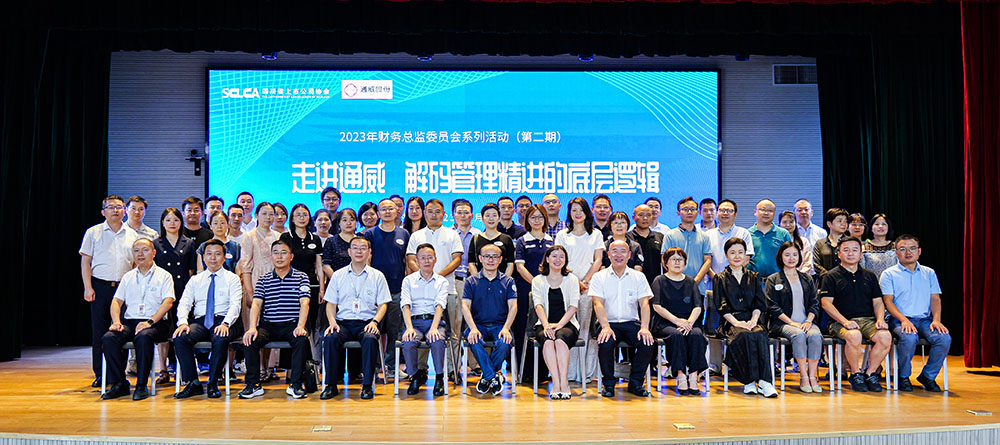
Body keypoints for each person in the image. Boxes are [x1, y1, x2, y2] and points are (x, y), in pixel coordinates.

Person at [100, 238, 175, 400]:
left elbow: (168, 302)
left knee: (144, 336)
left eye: (145, 250)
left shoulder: (164, 276)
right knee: (109, 338)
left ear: (154, 253)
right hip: (130, 321)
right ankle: (119, 383)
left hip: (156, 322)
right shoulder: (128, 277)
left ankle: (141, 385)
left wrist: (150, 322)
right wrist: (116, 322)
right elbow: (116, 301)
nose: (140, 254)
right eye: (136, 251)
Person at [321, 236, 392, 400]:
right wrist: (332, 322)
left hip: (367, 323)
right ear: (349, 251)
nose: (359, 251)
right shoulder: (338, 275)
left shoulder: (378, 276)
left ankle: (367, 386)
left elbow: (383, 304)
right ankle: (331, 385)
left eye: (363, 248)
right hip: (343, 323)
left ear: (369, 252)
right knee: (330, 338)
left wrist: (375, 322)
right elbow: (330, 303)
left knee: (370, 338)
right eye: (355, 248)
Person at [239, 239, 311, 399]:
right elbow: (256, 304)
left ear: (291, 256)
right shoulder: (264, 279)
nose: (279, 256)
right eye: (276, 253)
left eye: (284, 253)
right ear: (271, 256)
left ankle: (296, 384)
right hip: (268, 325)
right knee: (250, 340)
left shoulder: (301, 277)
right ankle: (253, 385)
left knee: (301, 340)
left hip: (292, 324)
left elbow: (305, 303)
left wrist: (301, 326)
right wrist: (252, 327)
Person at [172, 239, 243, 399]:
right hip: (201, 321)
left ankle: (213, 382)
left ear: (224, 257)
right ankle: (193, 383)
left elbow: (235, 305)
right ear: (203, 257)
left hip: (224, 319)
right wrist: (183, 322)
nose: (213, 258)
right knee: (180, 337)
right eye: (209, 254)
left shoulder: (232, 279)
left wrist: (226, 323)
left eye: (217, 254)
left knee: (220, 337)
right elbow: (184, 303)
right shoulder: (196, 280)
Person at [81, 195, 140, 387]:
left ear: (125, 211)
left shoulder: (132, 234)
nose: (115, 210)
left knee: (121, 331)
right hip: (100, 287)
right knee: (99, 331)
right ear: (103, 211)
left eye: (119, 207)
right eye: (111, 207)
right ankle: (100, 373)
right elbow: (85, 261)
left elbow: (135, 264)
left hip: (124, 288)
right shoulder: (93, 232)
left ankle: (118, 373)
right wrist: (88, 287)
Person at [819, 236, 892, 392]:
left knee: (885, 337)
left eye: (854, 250)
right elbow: (826, 303)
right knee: (854, 336)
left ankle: (870, 373)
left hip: (867, 320)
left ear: (860, 254)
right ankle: (855, 373)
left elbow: (878, 302)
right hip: (839, 322)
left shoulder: (869, 275)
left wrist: (880, 319)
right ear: (839, 254)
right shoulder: (830, 276)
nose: (850, 253)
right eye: (846, 250)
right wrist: (845, 322)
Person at [880, 235, 951, 392]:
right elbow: (888, 301)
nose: (908, 252)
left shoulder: (929, 273)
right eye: (902, 249)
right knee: (909, 338)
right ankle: (903, 376)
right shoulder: (889, 274)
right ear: (896, 252)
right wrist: (904, 320)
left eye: (912, 248)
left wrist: (937, 320)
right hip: (899, 319)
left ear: (919, 251)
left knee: (944, 338)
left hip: (925, 319)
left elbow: (935, 299)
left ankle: (928, 376)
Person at [405, 199, 463, 382]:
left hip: (449, 289)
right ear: (424, 213)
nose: (433, 215)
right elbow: (411, 260)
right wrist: (425, 275)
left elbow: (457, 259)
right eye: (430, 211)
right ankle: (421, 369)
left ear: (444, 214)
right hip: (420, 293)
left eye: (437, 211)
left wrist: (436, 277)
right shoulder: (416, 236)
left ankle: (452, 368)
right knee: (421, 330)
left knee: (453, 332)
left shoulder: (452, 234)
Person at [713, 238, 778, 398]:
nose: (737, 256)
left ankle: (765, 382)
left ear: (745, 255)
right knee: (744, 335)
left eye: (740, 252)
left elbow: (759, 303)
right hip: (731, 321)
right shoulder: (720, 278)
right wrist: (737, 323)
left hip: (752, 319)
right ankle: (749, 381)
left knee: (759, 334)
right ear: (726, 255)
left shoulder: (753, 276)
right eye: (732, 252)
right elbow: (722, 306)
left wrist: (753, 321)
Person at [591, 240, 655, 397]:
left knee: (647, 343)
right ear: (608, 255)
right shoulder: (599, 277)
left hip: (631, 322)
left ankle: (636, 383)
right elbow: (597, 303)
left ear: (629, 255)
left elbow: (644, 304)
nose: (618, 255)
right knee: (605, 342)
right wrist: (605, 326)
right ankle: (608, 384)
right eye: (614, 251)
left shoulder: (638, 277)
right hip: (608, 323)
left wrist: (644, 327)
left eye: (622, 251)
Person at [555, 197, 604, 382]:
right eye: (574, 210)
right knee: (568, 327)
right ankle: (567, 372)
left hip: (588, 287)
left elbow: (598, 260)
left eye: (581, 210)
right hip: (566, 284)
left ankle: (585, 372)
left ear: (587, 212)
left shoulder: (596, 234)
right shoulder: (562, 235)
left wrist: (584, 281)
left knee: (585, 329)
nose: (577, 214)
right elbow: (558, 259)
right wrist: (574, 281)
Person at [765, 241, 823, 393]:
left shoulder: (807, 278)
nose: (791, 258)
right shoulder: (773, 279)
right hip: (783, 324)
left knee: (815, 336)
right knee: (798, 335)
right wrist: (792, 323)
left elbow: (814, 303)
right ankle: (803, 376)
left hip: (806, 322)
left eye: (795, 255)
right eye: (787, 255)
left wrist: (809, 321)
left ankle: (812, 376)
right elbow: (772, 307)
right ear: (780, 257)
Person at [463, 243, 519, 396]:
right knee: (473, 338)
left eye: (495, 257)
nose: (490, 260)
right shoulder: (471, 281)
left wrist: (506, 328)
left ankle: (487, 376)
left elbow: (513, 307)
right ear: (480, 258)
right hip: (478, 325)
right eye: (487, 256)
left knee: (505, 341)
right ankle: (493, 377)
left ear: (500, 260)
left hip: (500, 325)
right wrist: (473, 328)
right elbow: (465, 306)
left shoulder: (508, 281)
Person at [652, 248, 708, 395]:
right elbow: (657, 306)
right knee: (676, 335)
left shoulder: (691, 282)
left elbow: (698, 306)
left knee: (696, 335)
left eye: (680, 259)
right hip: (666, 322)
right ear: (666, 263)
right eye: (673, 259)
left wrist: (689, 322)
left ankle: (693, 376)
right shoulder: (659, 281)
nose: (677, 262)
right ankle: (681, 374)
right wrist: (677, 321)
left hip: (689, 322)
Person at [364, 198, 410, 376]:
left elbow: (407, 261)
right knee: (373, 329)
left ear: (397, 211)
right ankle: (374, 367)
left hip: (397, 289)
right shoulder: (370, 234)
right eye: (383, 209)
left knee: (394, 330)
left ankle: (391, 366)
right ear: (378, 213)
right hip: (375, 291)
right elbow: (367, 261)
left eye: (391, 208)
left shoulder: (404, 233)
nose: (388, 212)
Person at [152, 207, 196, 384]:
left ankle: (183, 369)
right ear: (162, 223)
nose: (172, 223)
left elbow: (191, 270)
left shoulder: (188, 243)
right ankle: (163, 369)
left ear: (181, 222)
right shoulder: (156, 243)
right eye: (168, 220)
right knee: (163, 330)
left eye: (176, 220)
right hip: (162, 293)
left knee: (182, 330)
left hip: (182, 291)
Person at [400, 243, 450, 396]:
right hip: (414, 322)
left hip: (434, 321)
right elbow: (405, 305)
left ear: (435, 259)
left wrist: (434, 328)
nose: (426, 261)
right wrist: (409, 327)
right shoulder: (408, 280)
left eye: (430, 257)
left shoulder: (442, 281)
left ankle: (439, 378)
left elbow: (440, 306)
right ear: (417, 260)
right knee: (408, 341)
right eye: (423, 258)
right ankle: (415, 376)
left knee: (437, 340)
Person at [531, 245, 581, 399]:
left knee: (559, 340)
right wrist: (546, 325)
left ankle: (564, 383)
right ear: (547, 259)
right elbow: (538, 305)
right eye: (554, 256)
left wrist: (559, 325)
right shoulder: (538, 280)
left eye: (561, 257)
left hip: (567, 324)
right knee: (548, 341)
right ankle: (556, 383)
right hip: (544, 324)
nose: (558, 260)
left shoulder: (572, 279)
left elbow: (573, 306)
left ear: (565, 260)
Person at [238, 202, 279, 380]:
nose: (268, 217)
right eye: (264, 214)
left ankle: (268, 366)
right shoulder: (250, 236)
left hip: (275, 286)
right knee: (254, 327)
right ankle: (258, 368)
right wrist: (249, 292)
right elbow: (245, 266)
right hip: (255, 283)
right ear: (257, 215)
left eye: (271, 214)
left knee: (269, 326)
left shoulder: (278, 236)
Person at [513, 204, 554, 379]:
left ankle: (543, 371)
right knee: (523, 328)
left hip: (547, 290)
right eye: (533, 217)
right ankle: (524, 371)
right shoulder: (522, 240)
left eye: (540, 217)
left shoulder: (551, 241)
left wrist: (544, 285)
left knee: (544, 328)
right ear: (527, 220)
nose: (537, 220)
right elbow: (519, 266)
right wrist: (535, 283)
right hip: (525, 290)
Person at [705, 199, 755, 333]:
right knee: (713, 326)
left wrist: (729, 279)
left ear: (735, 214)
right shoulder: (708, 235)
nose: (725, 213)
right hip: (713, 284)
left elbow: (746, 258)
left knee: (736, 324)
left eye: (729, 210)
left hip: (737, 285)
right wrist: (718, 279)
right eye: (722, 210)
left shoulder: (743, 233)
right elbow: (706, 260)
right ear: (717, 213)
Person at [281, 204, 325, 346]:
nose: (302, 218)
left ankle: (310, 356)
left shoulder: (315, 239)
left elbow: (319, 266)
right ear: (292, 219)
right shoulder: (286, 237)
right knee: (291, 323)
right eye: (298, 215)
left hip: (311, 285)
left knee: (311, 322)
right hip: (290, 286)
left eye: (305, 215)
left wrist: (322, 289)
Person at [450, 198, 482, 373]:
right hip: (453, 281)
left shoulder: (479, 234)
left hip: (473, 282)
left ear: (472, 215)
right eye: (459, 212)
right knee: (455, 326)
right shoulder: (448, 234)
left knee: (474, 323)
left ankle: (475, 364)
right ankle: (454, 366)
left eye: (466, 212)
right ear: (453, 215)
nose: (463, 216)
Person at [662, 196, 712, 294]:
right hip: (674, 286)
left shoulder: (704, 236)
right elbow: (664, 260)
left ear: (697, 212)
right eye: (685, 209)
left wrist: (695, 281)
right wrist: (677, 280)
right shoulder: (670, 235)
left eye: (692, 209)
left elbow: (707, 261)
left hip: (698, 287)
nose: (689, 212)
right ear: (678, 213)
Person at [748, 199, 792, 279]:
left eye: (770, 211)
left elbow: (790, 258)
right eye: (763, 210)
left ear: (774, 213)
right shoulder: (747, 234)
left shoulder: (784, 234)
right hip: (752, 280)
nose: (766, 213)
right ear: (755, 212)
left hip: (778, 280)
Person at [469, 203, 515, 277]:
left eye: (494, 215)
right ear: (482, 219)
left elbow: (510, 263)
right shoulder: (476, 239)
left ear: (499, 218)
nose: (491, 219)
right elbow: (472, 263)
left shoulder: (506, 239)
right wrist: (477, 280)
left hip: (501, 281)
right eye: (487, 216)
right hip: (480, 281)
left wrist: (504, 281)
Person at [628, 204, 665, 285]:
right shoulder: (627, 238)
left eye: (648, 215)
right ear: (633, 217)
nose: (645, 218)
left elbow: (665, 262)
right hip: (632, 283)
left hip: (655, 284)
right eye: (641, 215)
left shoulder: (660, 237)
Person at [813, 207, 849, 278]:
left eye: (845, 221)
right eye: (839, 221)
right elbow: (816, 265)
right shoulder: (820, 243)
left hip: (846, 279)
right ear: (829, 224)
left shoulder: (850, 242)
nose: (843, 224)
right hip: (825, 280)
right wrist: (830, 277)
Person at [861, 214, 898, 279]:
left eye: (884, 224)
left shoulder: (896, 246)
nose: (880, 226)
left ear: (888, 227)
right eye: (877, 224)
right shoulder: (864, 248)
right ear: (871, 228)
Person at [779, 210, 813, 275]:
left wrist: (797, 275)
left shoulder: (804, 241)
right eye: (784, 222)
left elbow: (807, 263)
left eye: (791, 222)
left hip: (800, 276)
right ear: (779, 224)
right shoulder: (776, 241)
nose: (788, 225)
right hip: (780, 277)